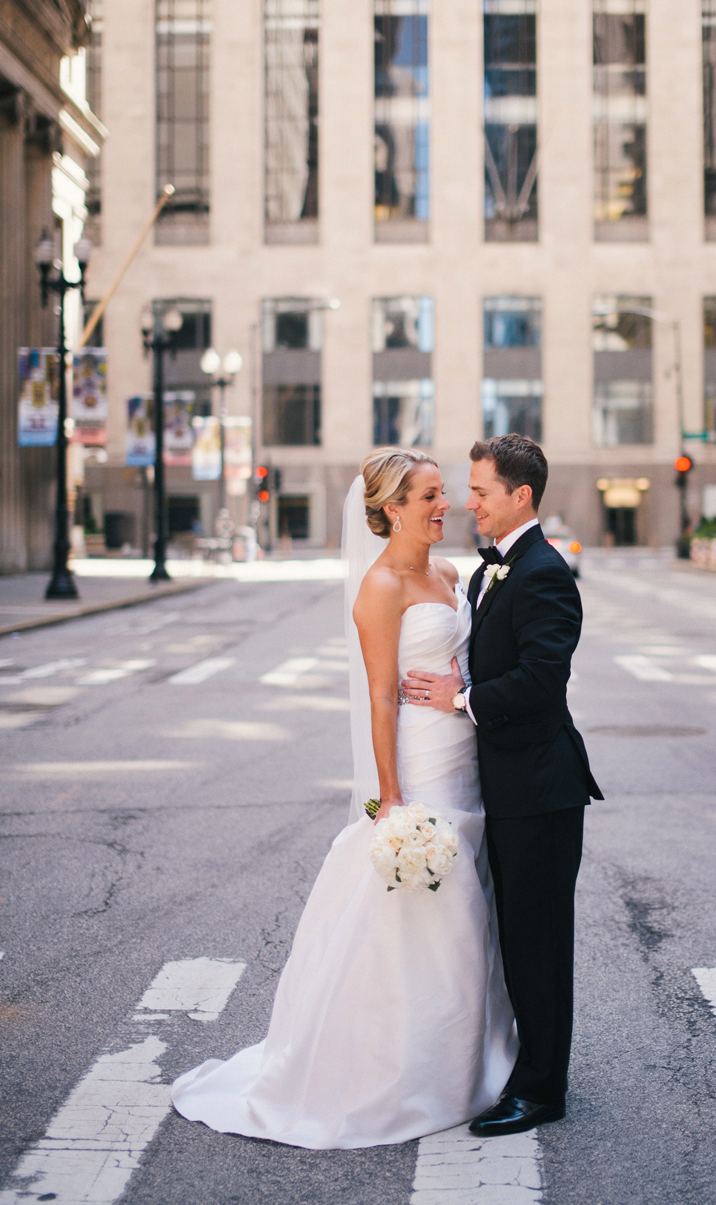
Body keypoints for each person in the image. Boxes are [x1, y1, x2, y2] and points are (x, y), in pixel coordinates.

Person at [170, 447, 516, 1149]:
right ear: (392, 510)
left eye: (444, 493)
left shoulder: (450, 572)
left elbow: (470, 663)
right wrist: (391, 797)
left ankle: (471, 1049)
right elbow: (380, 698)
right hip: (419, 761)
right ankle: (409, 1065)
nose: (443, 505)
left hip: (465, 754)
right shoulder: (380, 588)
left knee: (471, 907)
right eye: (428, 497)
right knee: (429, 910)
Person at [402, 433, 603, 1136]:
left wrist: (460, 700)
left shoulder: (544, 571)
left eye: (481, 490)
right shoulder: (495, 569)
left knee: (537, 942)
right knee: (515, 936)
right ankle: (527, 1062)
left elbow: (542, 681)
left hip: (541, 792)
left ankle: (543, 1088)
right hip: (508, 787)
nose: (468, 501)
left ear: (520, 496)